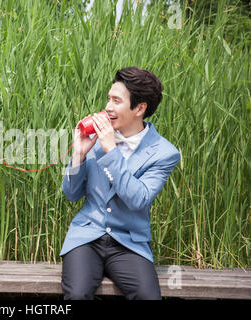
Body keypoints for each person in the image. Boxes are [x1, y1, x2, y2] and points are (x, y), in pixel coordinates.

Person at [60, 67, 180, 300]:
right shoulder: (95, 138)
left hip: (129, 243)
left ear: (140, 108)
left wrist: (111, 150)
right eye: (108, 99)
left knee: (148, 296)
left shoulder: (164, 153)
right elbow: (72, 194)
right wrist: (79, 156)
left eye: (116, 101)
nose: (107, 107)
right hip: (87, 237)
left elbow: (138, 199)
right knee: (76, 294)